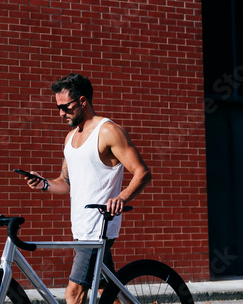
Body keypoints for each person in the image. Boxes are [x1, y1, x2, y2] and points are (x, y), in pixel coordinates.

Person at [25, 73, 152, 304]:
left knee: (73, 294)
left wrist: (121, 198)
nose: (61, 113)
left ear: (83, 101)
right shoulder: (70, 138)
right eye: (58, 107)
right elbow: (66, 183)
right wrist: (43, 183)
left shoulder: (108, 131)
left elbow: (142, 172)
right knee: (107, 292)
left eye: (65, 106)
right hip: (81, 227)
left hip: (99, 228)